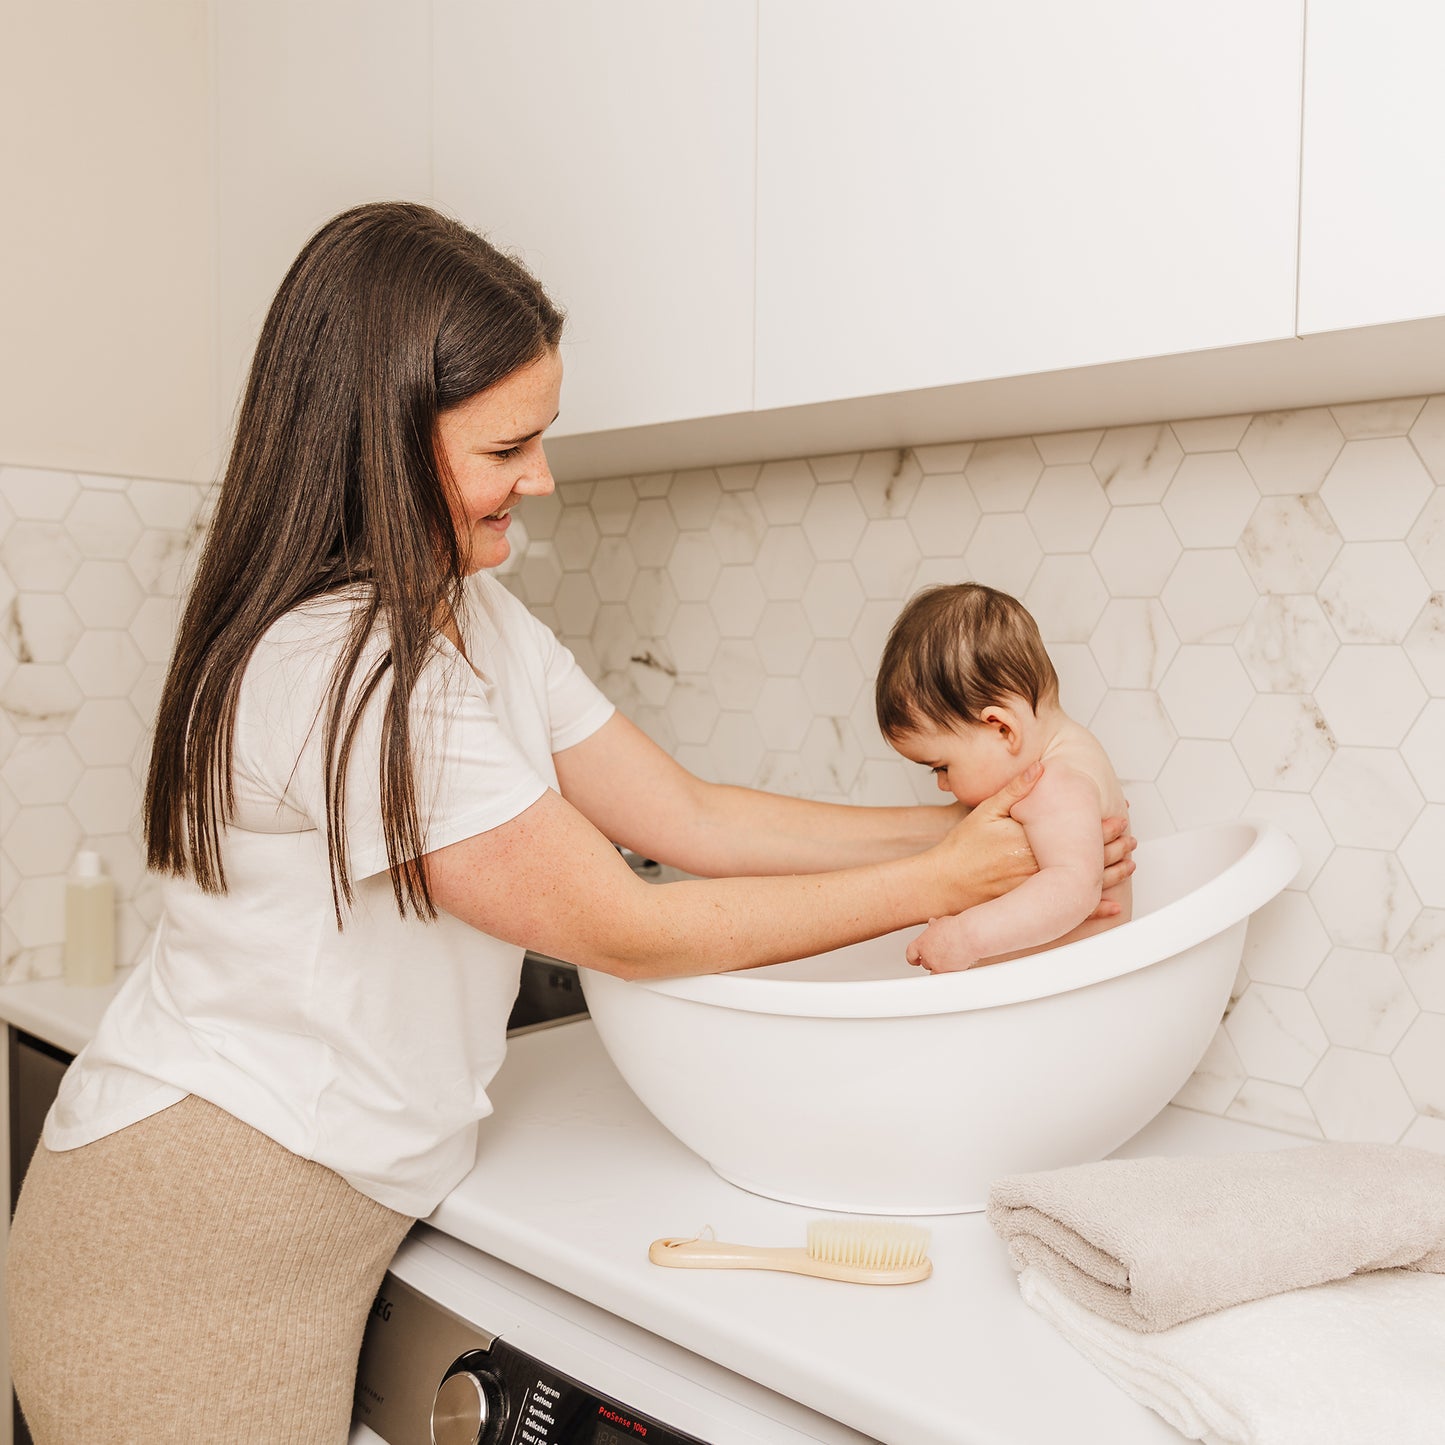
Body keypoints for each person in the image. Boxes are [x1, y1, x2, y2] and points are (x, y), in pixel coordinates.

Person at [6, 202, 1134, 1443]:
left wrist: (970, 831)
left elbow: (690, 815)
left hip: (298, 1219)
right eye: (507, 447)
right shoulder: (344, 666)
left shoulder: (473, 621)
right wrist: (945, 882)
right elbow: (627, 924)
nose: (540, 478)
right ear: (383, 443)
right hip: (184, 1252)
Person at [876, 582, 1133, 973]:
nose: (942, 784)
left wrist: (965, 937)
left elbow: (1073, 890)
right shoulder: (1074, 750)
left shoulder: (1053, 783)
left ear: (1002, 729)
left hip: (1070, 984)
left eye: (942, 766)